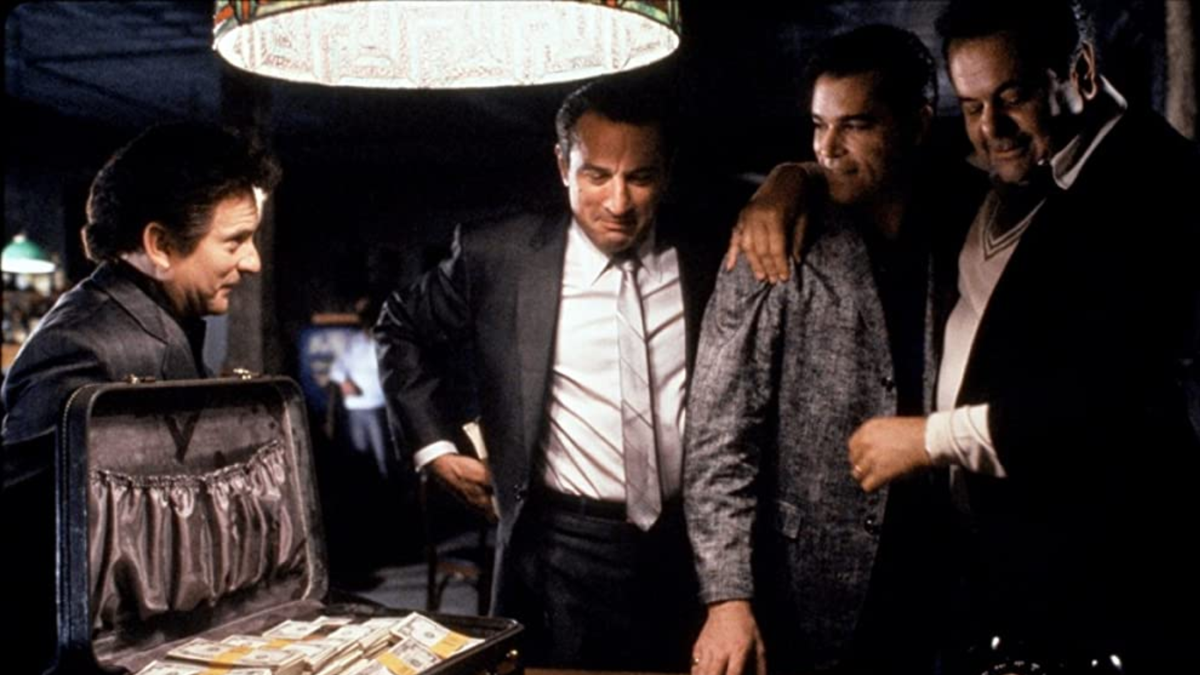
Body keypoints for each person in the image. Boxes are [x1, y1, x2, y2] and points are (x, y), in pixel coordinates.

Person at [731, 1, 1200, 669]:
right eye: (972, 104)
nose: (990, 127)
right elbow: (875, 157)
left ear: (1083, 71)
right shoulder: (1016, 164)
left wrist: (928, 438)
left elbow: (1107, 404)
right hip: (994, 583)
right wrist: (791, 179)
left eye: (1012, 97)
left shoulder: (1152, 181)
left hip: (1109, 587)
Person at [375, 74, 723, 671]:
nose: (619, 203)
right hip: (557, 552)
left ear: (667, 173)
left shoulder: (710, 252)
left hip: (686, 546)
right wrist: (435, 448)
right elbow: (400, 326)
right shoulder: (499, 255)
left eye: (640, 177)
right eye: (597, 176)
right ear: (563, 165)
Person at [686, 25, 968, 675]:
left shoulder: (962, 219)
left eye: (856, 125)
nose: (828, 148)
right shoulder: (772, 239)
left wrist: (794, 174)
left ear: (918, 124)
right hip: (805, 585)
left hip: (940, 580)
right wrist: (727, 597)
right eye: (818, 126)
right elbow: (718, 434)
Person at [1, 121, 280, 675]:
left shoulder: (161, 320)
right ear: (160, 245)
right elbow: (20, 548)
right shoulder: (80, 346)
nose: (252, 262)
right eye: (234, 241)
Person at [330, 297, 392, 480]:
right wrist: (344, 382)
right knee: (360, 455)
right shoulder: (353, 342)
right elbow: (336, 368)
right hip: (356, 407)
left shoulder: (384, 342)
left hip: (378, 406)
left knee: (382, 456)